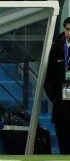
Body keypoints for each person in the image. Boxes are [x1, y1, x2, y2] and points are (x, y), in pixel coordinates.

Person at [45, 17, 70, 154]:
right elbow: (48, 77)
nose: (69, 32)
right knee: (64, 143)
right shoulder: (56, 48)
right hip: (61, 105)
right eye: (67, 29)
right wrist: (55, 98)